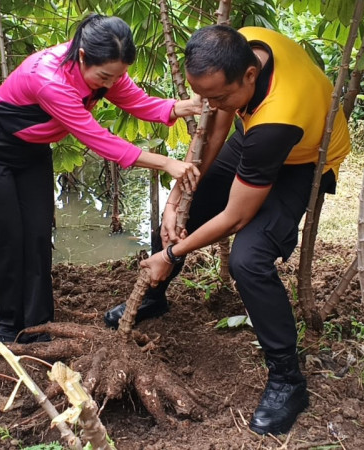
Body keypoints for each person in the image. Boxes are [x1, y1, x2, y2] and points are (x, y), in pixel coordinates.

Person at [103, 25, 351, 435]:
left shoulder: (278, 117)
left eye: (218, 96)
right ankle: (154, 300)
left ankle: (288, 381)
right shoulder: (238, 46)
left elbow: (236, 217)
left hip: (304, 156)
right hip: (254, 133)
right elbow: (216, 126)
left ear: (249, 77)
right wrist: (176, 200)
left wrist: (171, 255)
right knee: (188, 203)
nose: (210, 104)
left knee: (248, 259)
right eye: (204, 96)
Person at [0, 14, 202, 346]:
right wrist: (166, 163)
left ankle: (38, 324)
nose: (108, 85)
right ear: (83, 56)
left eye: (116, 77)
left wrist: (179, 107)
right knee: (9, 240)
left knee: (35, 236)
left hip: (33, 150)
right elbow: (98, 139)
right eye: (103, 77)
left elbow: (136, 101)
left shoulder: (108, 69)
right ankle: (7, 326)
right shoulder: (47, 79)